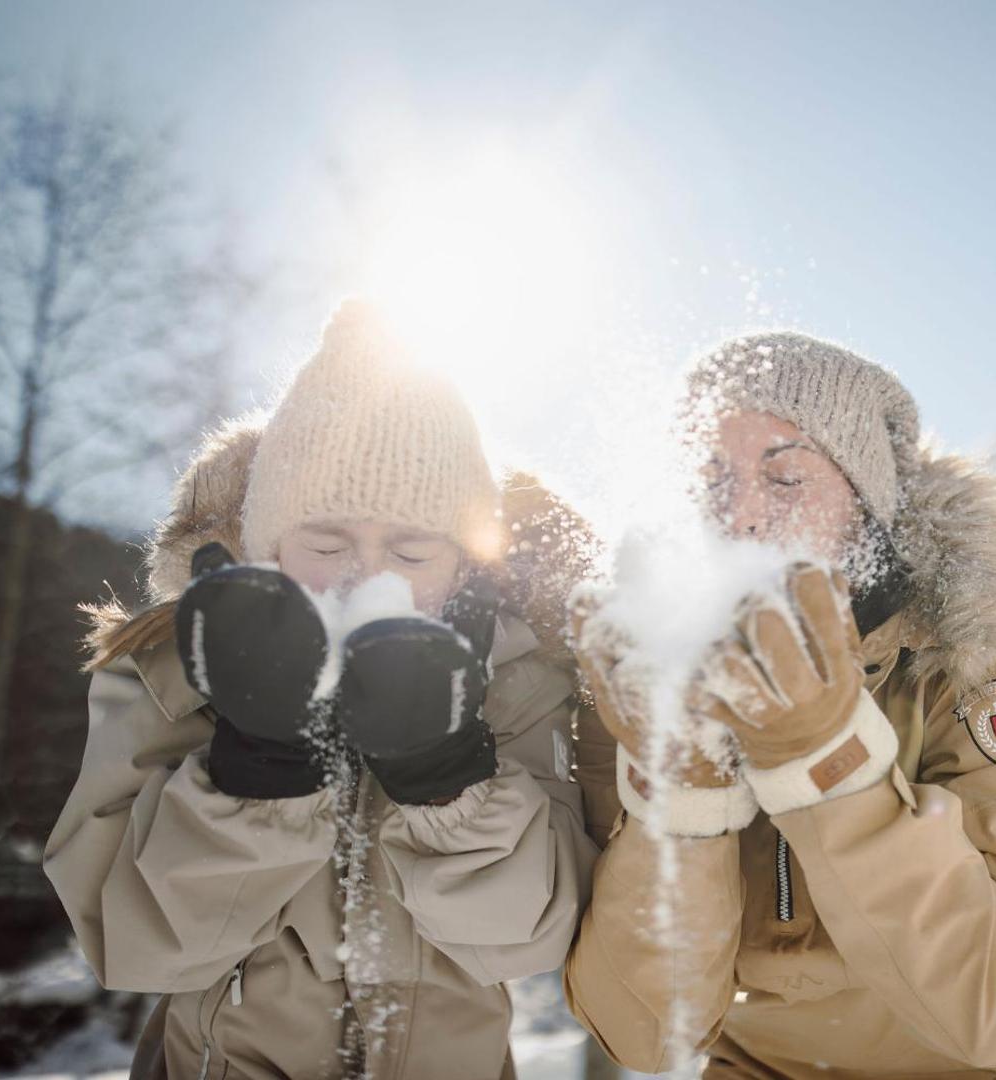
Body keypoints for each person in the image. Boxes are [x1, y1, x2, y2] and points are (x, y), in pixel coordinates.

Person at [565, 332, 996, 1079]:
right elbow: (645, 1035)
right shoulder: (642, 678)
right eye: (714, 481)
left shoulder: (979, 651)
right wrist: (685, 799)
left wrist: (825, 759)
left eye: (785, 481)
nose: (744, 517)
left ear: (866, 503)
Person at [44, 302, 594, 1079]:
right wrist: (257, 769)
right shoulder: (169, 671)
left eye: (411, 548)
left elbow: (526, 939)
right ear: (266, 540)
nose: (365, 575)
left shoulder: (517, 679)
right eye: (327, 540)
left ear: (462, 564)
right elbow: (133, 943)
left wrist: (446, 775)